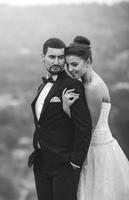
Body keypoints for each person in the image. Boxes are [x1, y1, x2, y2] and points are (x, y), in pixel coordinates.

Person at [62, 35, 129, 200]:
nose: (70, 69)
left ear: (88, 62)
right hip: (100, 145)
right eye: (67, 65)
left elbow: (88, 127)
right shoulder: (88, 82)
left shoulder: (92, 88)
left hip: (96, 150)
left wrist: (66, 108)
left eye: (75, 64)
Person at [27, 37, 92, 200]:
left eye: (60, 57)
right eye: (52, 57)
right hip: (42, 163)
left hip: (64, 165)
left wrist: (75, 163)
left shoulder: (72, 85)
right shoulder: (41, 87)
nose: (57, 62)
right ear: (42, 57)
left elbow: (84, 127)